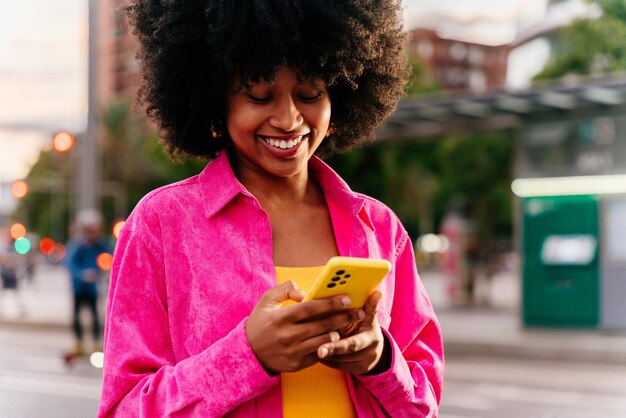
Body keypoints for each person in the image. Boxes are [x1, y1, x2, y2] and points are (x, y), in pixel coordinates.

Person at [99, 1, 444, 416]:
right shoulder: (163, 224)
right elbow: (123, 409)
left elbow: (423, 405)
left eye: (310, 93)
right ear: (215, 103)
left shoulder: (379, 227)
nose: (288, 118)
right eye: (260, 95)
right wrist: (248, 356)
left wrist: (380, 361)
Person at [65, 209, 111, 355]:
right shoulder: (77, 245)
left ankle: (97, 342)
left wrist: (100, 269)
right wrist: (82, 274)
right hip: (79, 287)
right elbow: (70, 264)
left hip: (93, 287)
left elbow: (111, 255)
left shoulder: (100, 244)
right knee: (76, 315)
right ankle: (79, 342)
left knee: (95, 315)